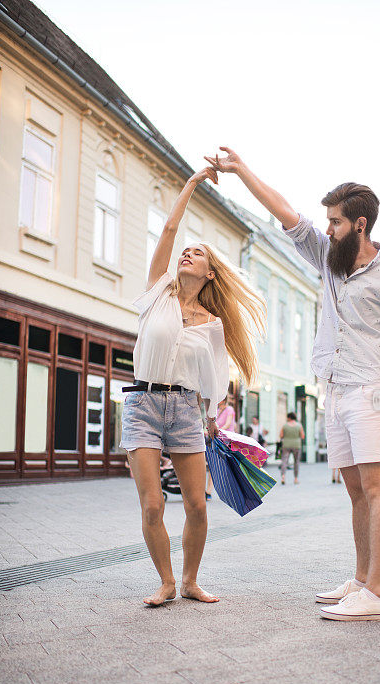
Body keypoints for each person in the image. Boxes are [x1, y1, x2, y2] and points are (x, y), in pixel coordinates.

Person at [206, 147, 380, 621]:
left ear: (359, 224)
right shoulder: (327, 258)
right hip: (333, 389)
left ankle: (379, 594)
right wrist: (241, 170)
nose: (326, 227)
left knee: (379, 489)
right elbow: (285, 212)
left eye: (334, 221)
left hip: (372, 387)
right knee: (356, 491)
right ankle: (360, 581)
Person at [121, 165, 266, 606]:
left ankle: (189, 581)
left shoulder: (213, 324)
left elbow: (214, 380)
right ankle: (165, 582)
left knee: (198, 507)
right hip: (143, 404)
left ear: (210, 273)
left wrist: (210, 420)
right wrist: (192, 183)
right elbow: (168, 227)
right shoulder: (157, 294)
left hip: (185, 411)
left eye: (197, 253)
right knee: (152, 505)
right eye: (185, 251)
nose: (186, 254)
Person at [205, 397, 236, 499]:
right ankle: (208, 491)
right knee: (214, 465)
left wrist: (215, 430)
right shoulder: (217, 411)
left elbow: (228, 424)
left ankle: (232, 488)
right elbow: (212, 424)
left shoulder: (229, 409)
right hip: (216, 440)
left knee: (223, 466)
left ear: (222, 399)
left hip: (226, 441)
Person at [279, 412, 305, 485]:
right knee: (296, 462)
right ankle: (296, 479)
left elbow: (281, 435)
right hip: (296, 445)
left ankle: (283, 477)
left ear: (289, 418)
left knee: (284, 461)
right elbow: (303, 436)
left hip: (286, 445)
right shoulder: (299, 426)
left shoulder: (285, 426)